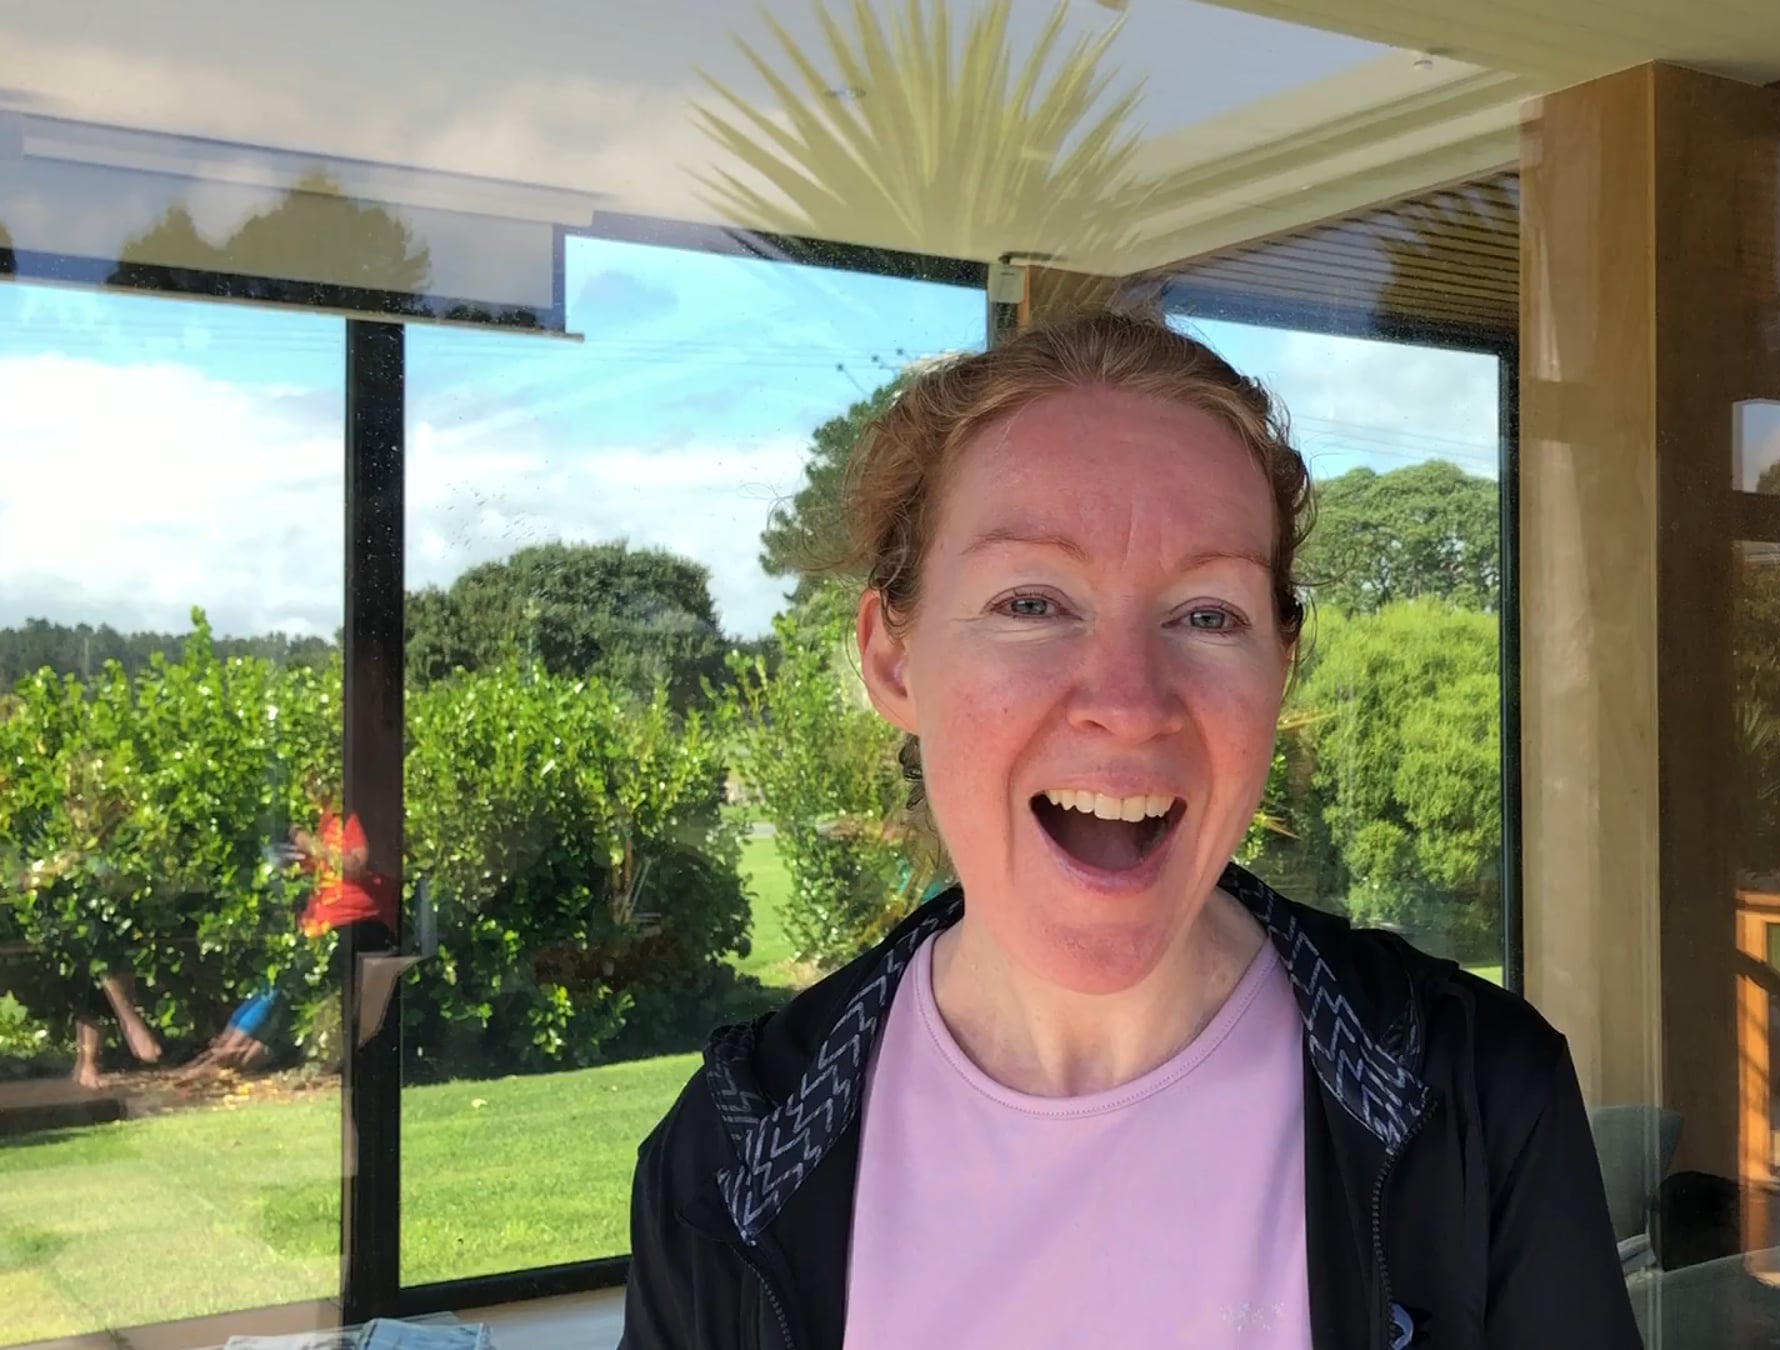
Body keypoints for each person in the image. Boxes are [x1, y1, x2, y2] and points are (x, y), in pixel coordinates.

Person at [621, 312, 1634, 1349]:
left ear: (1281, 668)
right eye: (1031, 603)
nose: (1130, 703)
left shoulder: (1480, 1104)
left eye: (1208, 615)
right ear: (893, 659)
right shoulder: (725, 1165)